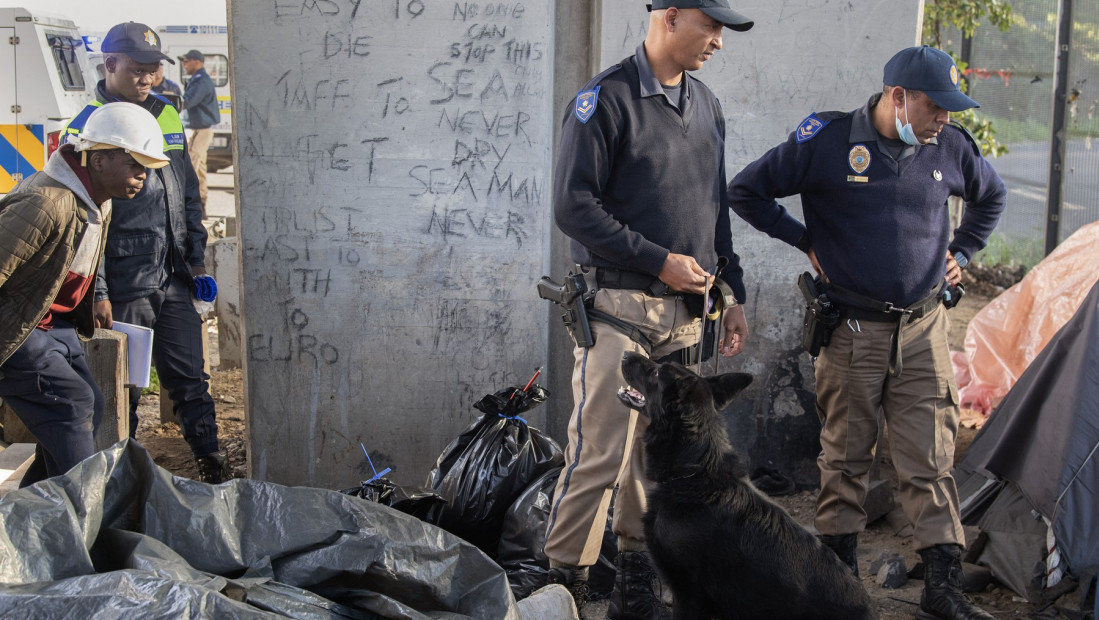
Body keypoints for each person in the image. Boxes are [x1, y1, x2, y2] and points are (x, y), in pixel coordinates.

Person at [728, 45, 1006, 620]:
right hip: (853, 331)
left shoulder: (948, 146)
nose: (945, 119)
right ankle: (840, 583)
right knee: (846, 457)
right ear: (898, 97)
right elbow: (746, 190)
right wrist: (804, 239)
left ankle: (943, 587)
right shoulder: (827, 141)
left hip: (925, 328)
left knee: (930, 458)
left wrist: (963, 251)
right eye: (935, 106)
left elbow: (991, 196)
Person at [543, 1, 753, 618]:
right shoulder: (604, 102)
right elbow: (572, 206)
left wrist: (731, 293)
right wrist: (659, 260)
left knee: (653, 457)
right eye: (710, 26)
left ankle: (635, 585)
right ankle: (563, 587)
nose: (718, 41)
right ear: (670, 16)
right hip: (618, 310)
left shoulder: (706, 104)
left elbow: (716, 212)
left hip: (685, 316)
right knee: (601, 452)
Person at [64, 21, 231, 484]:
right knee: (126, 386)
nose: (147, 79)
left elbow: (187, 194)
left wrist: (195, 259)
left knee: (190, 379)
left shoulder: (167, 114)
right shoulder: (87, 126)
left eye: (154, 71)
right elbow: (83, 220)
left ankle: (213, 466)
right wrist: (96, 289)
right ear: (110, 65)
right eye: (138, 70)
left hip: (173, 272)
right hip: (122, 279)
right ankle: (122, 476)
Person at [0, 102, 169, 487]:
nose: (143, 176)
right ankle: (81, 514)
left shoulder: (96, 199)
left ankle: (39, 511)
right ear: (98, 160)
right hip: (19, 329)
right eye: (134, 165)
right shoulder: (46, 203)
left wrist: (93, 295)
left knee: (86, 403)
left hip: (51, 323)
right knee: (71, 407)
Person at [178, 49, 220, 209]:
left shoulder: (200, 80)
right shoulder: (198, 79)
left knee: (191, 167)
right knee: (200, 168)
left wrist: (171, 100)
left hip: (199, 130)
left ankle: (189, 206)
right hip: (200, 129)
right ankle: (201, 205)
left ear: (197, 62)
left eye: (186, 61)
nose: (184, 65)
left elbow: (188, 101)